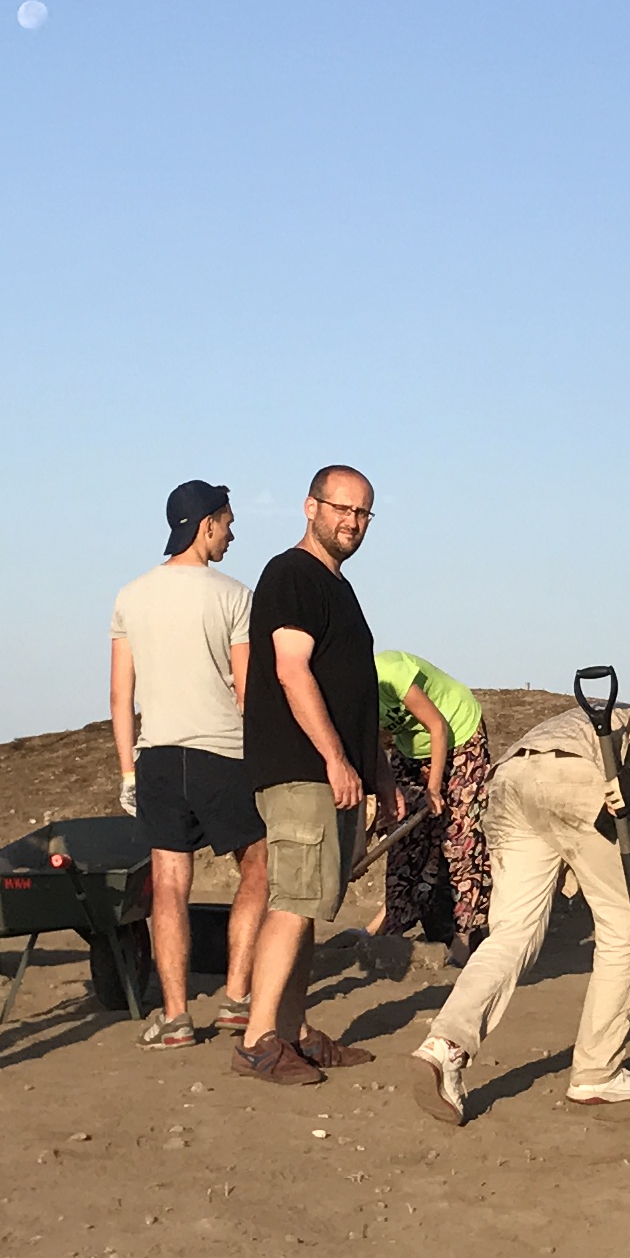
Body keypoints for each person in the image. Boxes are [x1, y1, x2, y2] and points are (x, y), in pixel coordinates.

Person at [406, 676, 630, 1123]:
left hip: (514, 779)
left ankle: (444, 1047)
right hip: (576, 774)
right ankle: (596, 1072)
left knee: (513, 934)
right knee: (625, 928)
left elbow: (608, 866)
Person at [232, 466, 390, 1089]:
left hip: (332, 774)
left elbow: (353, 691)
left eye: (363, 514)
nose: (351, 522)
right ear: (310, 507)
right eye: (341, 509)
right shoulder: (292, 574)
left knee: (309, 904)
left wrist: (376, 770)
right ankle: (256, 1041)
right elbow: (293, 671)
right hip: (301, 768)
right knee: (293, 902)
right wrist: (332, 757)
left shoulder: (337, 588)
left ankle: (293, 1032)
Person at [109, 479, 266, 1047]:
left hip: (156, 755)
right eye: (227, 522)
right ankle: (237, 998)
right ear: (205, 525)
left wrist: (128, 771)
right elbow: (249, 693)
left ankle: (176, 1016)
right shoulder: (233, 595)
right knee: (259, 866)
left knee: (169, 884)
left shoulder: (130, 595)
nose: (231, 532)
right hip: (221, 752)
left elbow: (119, 696)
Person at [371, 647, 496, 965]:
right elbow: (370, 752)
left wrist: (434, 787)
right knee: (402, 834)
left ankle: (465, 935)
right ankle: (393, 929)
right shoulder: (346, 701)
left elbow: (438, 727)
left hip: (458, 733)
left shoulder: (391, 672)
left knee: (459, 836)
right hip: (411, 748)